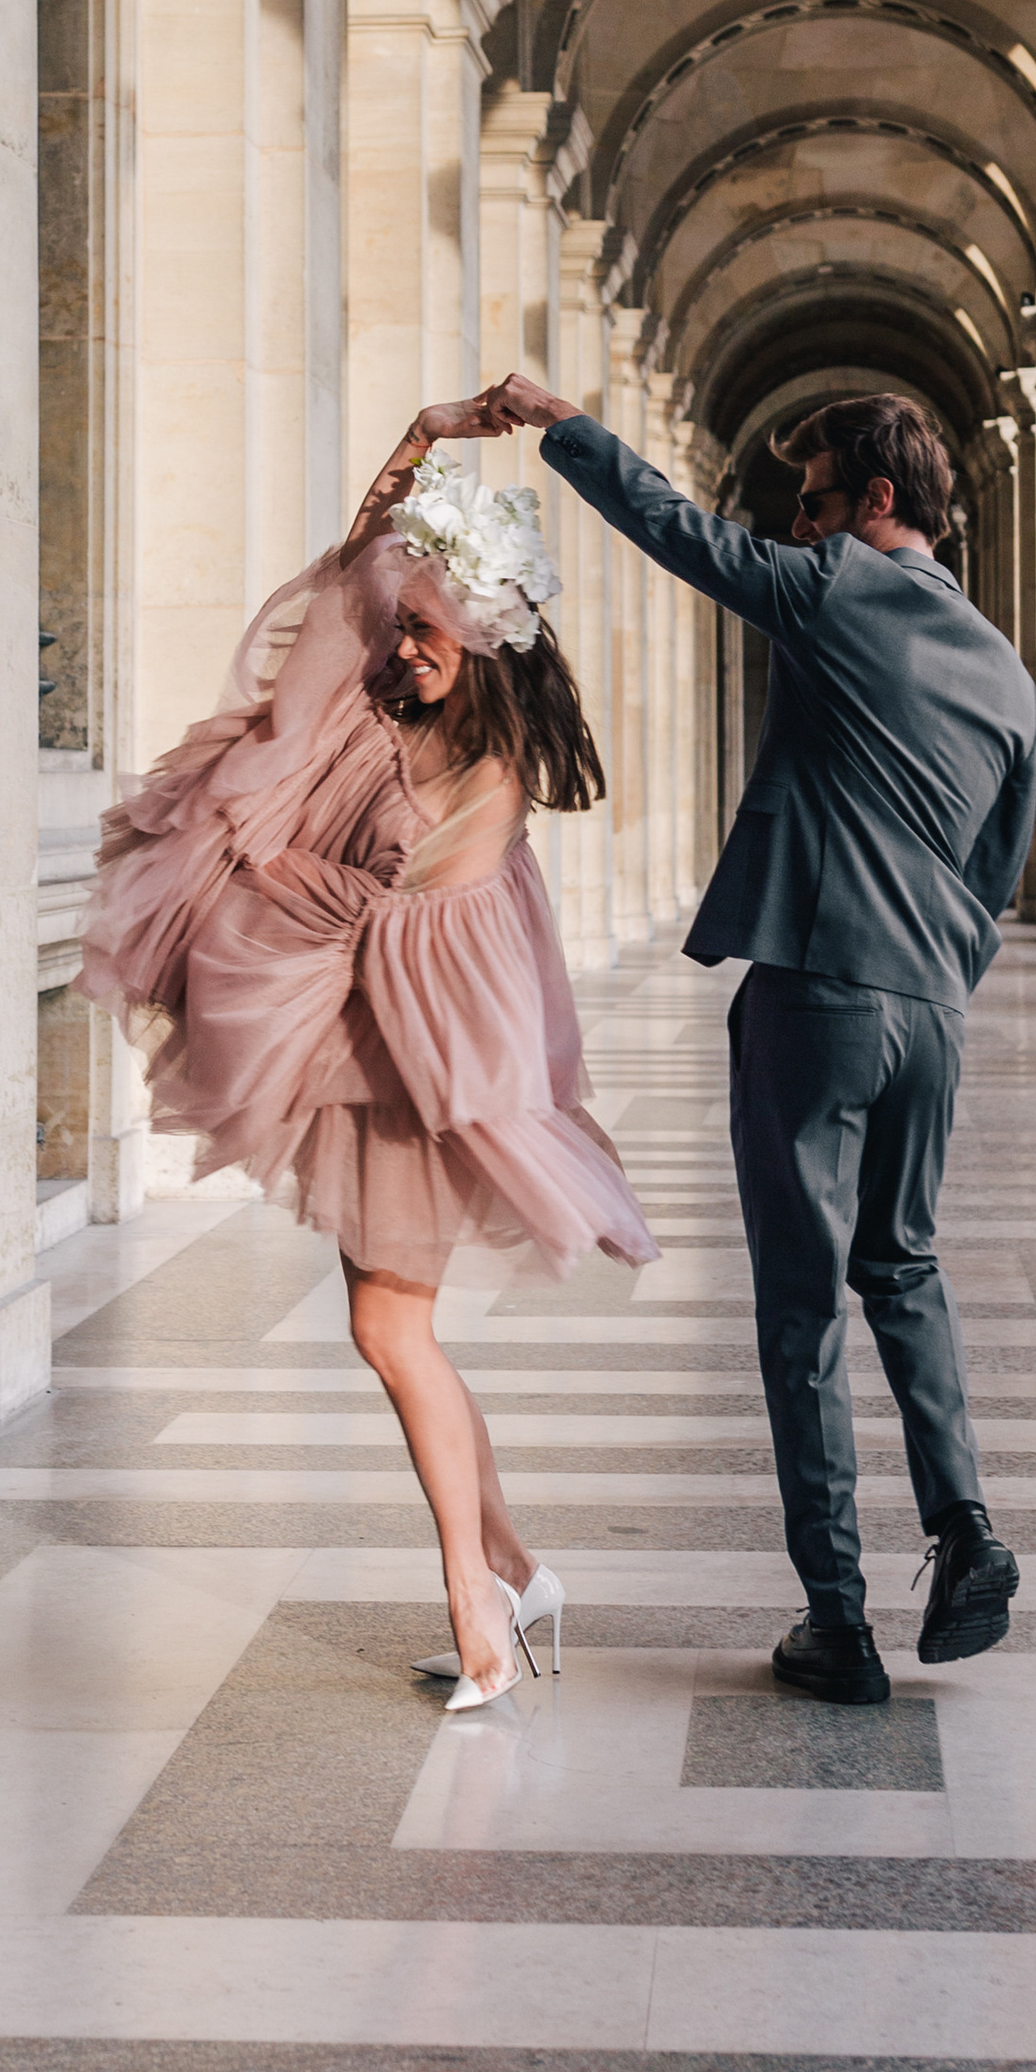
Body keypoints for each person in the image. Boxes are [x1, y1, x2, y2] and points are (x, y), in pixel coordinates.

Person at [80, 400, 656, 1707]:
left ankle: (478, 1609)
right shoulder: (380, 698)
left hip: (417, 1077)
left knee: (394, 1332)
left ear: (489, 637)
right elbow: (355, 569)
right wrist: (429, 432)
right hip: (364, 1064)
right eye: (404, 624)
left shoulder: (489, 777)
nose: (406, 645)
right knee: (393, 1329)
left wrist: (275, 881)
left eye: (431, 629)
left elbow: (414, 945)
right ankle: (510, 1574)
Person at [483, 371, 1036, 1708]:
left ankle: (837, 1620)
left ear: (878, 502)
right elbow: (999, 876)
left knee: (801, 1311)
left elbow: (678, 530)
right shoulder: (1011, 672)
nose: (796, 528)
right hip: (931, 1011)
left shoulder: (836, 591)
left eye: (815, 501)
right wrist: (930, 974)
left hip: (818, 995)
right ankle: (965, 1531)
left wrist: (559, 423)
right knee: (903, 1270)